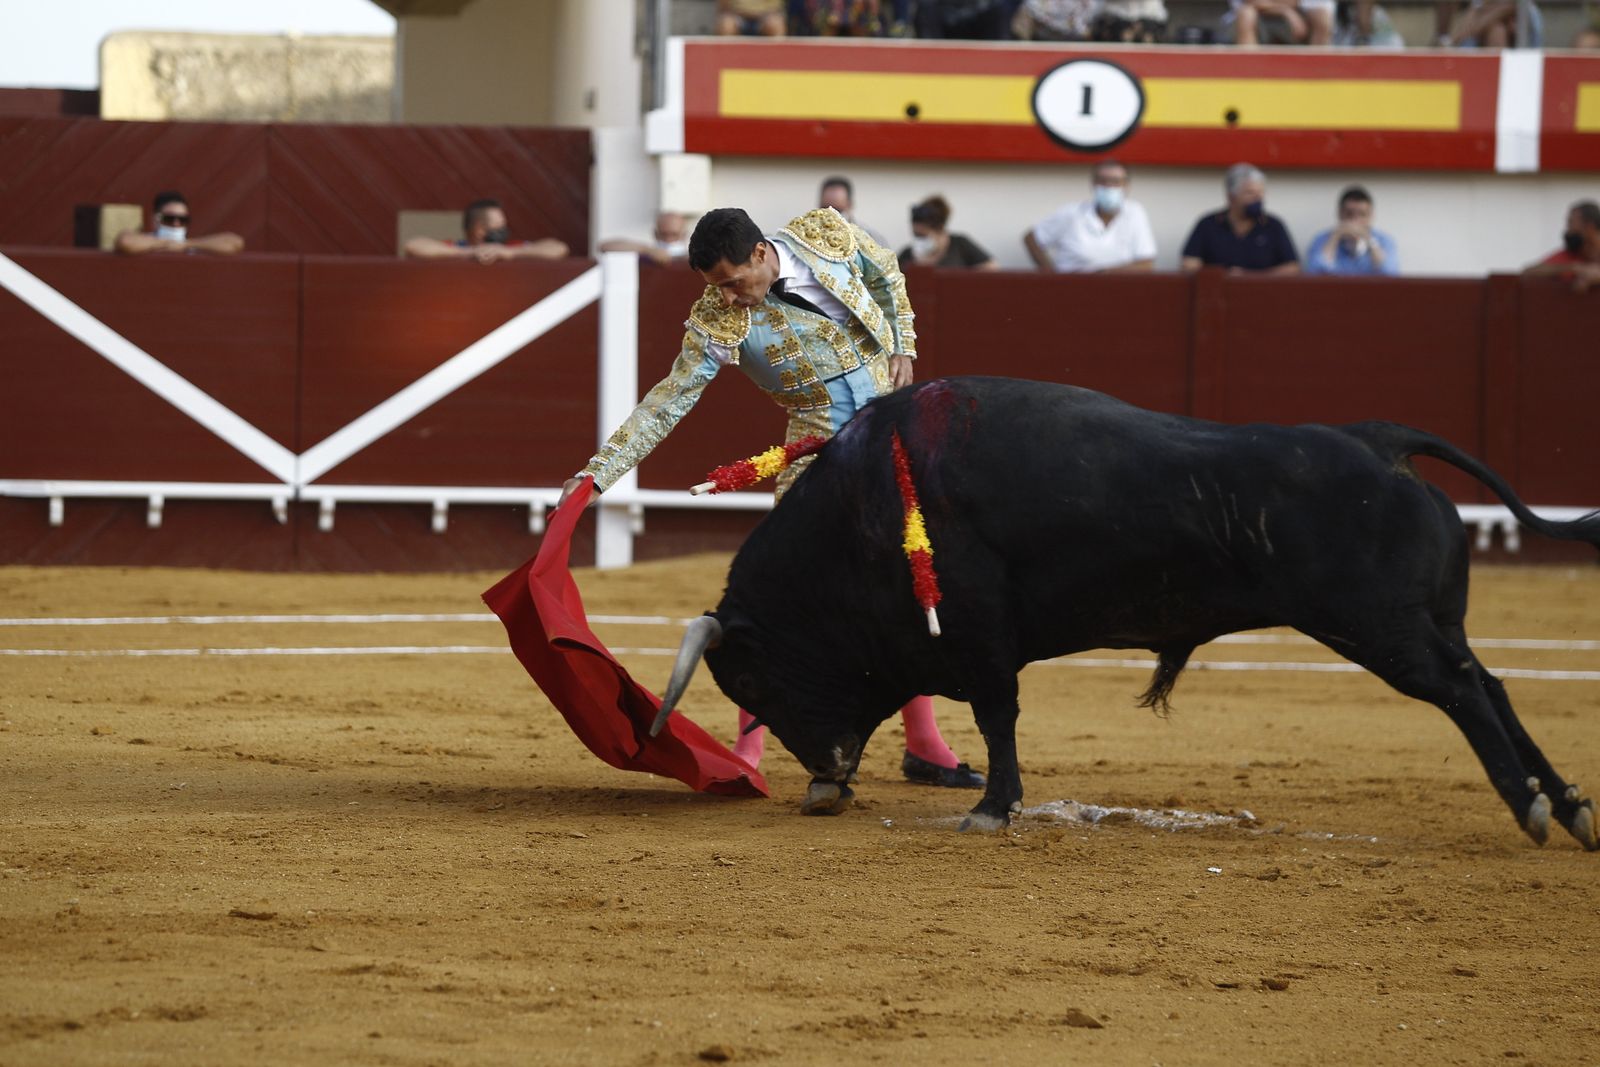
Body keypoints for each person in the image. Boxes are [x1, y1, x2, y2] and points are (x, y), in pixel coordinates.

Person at [558, 205, 984, 790]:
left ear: (761, 252)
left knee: (906, 585)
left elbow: (885, 270)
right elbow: (668, 400)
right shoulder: (715, 319)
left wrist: (903, 340)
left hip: (892, 430)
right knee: (784, 601)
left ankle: (925, 745)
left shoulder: (822, 234)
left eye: (733, 282)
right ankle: (748, 749)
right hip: (815, 448)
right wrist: (595, 475)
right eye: (716, 288)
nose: (729, 298)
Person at [1024, 160, 1157, 273]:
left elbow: (1146, 264)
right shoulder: (1072, 213)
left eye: (1116, 181)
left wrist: (1101, 275)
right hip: (1072, 290)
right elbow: (1031, 238)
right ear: (1093, 184)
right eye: (1103, 181)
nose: (1109, 186)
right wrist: (1052, 275)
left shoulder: (1134, 213)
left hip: (1117, 291)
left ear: (1126, 186)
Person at [1180, 163, 1299, 274]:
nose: (1257, 199)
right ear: (1231, 196)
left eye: (1260, 193)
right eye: (1250, 193)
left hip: (1263, 294)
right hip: (1217, 294)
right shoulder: (1208, 224)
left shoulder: (1273, 225)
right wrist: (1224, 276)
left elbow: (1292, 268)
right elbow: (1188, 264)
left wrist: (1250, 277)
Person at [404, 198, 568, 263]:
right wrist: (467, 253)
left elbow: (559, 249)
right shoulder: (456, 247)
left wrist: (510, 253)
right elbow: (413, 245)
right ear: (480, 230)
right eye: (500, 225)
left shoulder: (513, 247)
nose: (504, 229)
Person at [1304, 185, 1399, 276]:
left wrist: (1369, 240)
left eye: (1362, 214)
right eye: (1349, 214)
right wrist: (1335, 238)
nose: (1355, 220)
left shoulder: (1385, 241)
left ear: (1371, 216)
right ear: (1339, 214)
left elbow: (1390, 273)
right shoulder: (1322, 239)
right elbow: (1314, 272)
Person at [113, 191, 244, 257]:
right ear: (156, 219)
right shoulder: (145, 242)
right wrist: (165, 243)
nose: (176, 224)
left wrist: (186, 244)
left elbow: (234, 242)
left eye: (182, 220)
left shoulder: (194, 247)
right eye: (170, 218)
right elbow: (125, 241)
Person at [898, 196, 997, 270]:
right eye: (916, 235)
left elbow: (991, 266)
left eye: (923, 236)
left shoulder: (960, 245)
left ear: (940, 229)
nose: (919, 240)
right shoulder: (907, 254)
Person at [1521, 200, 1600, 292]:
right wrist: (1574, 268)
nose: (1568, 231)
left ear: (1589, 227)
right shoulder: (1570, 255)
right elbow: (1528, 272)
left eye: (1571, 224)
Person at [598, 211, 691, 267]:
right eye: (664, 234)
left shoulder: (692, 257)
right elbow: (604, 247)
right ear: (656, 234)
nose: (668, 239)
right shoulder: (646, 255)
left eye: (674, 235)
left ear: (684, 235)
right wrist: (647, 250)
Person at [817, 175, 889, 247]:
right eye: (826, 208)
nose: (831, 215)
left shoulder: (871, 238)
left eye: (837, 210)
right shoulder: (809, 235)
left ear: (850, 205)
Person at [1227, 0, 1335, 45]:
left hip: (1293, 21)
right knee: (1246, 14)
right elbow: (1251, 2)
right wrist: (1286, 11)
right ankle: (1249, 71)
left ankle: (1316, 73)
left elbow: (1294, 1)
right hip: (1258, 20)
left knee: (1322, 17)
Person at [716, 0, 786, 36]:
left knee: (775, 24)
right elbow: (724, 6)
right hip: (737, 16)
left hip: (764, 17)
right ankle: (727, 62)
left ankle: (775, 61)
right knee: (726, 25)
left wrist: (756, 13)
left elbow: (776, 8)